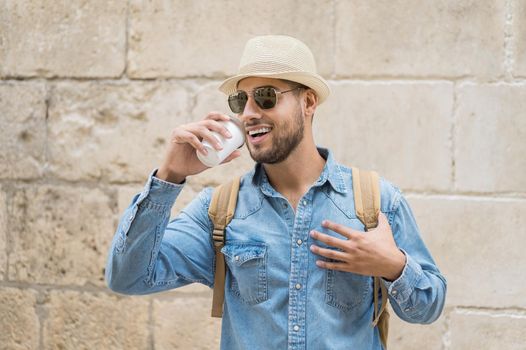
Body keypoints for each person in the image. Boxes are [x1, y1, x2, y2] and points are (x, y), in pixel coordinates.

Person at [105, 35, 447, 349]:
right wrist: (170, 176)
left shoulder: (375, 202)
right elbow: (127, 277)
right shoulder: (219, 210)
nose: (250, 113)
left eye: (266, 97)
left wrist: (393, 266)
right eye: (241, 100)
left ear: (308, 102)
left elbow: (428, 307)